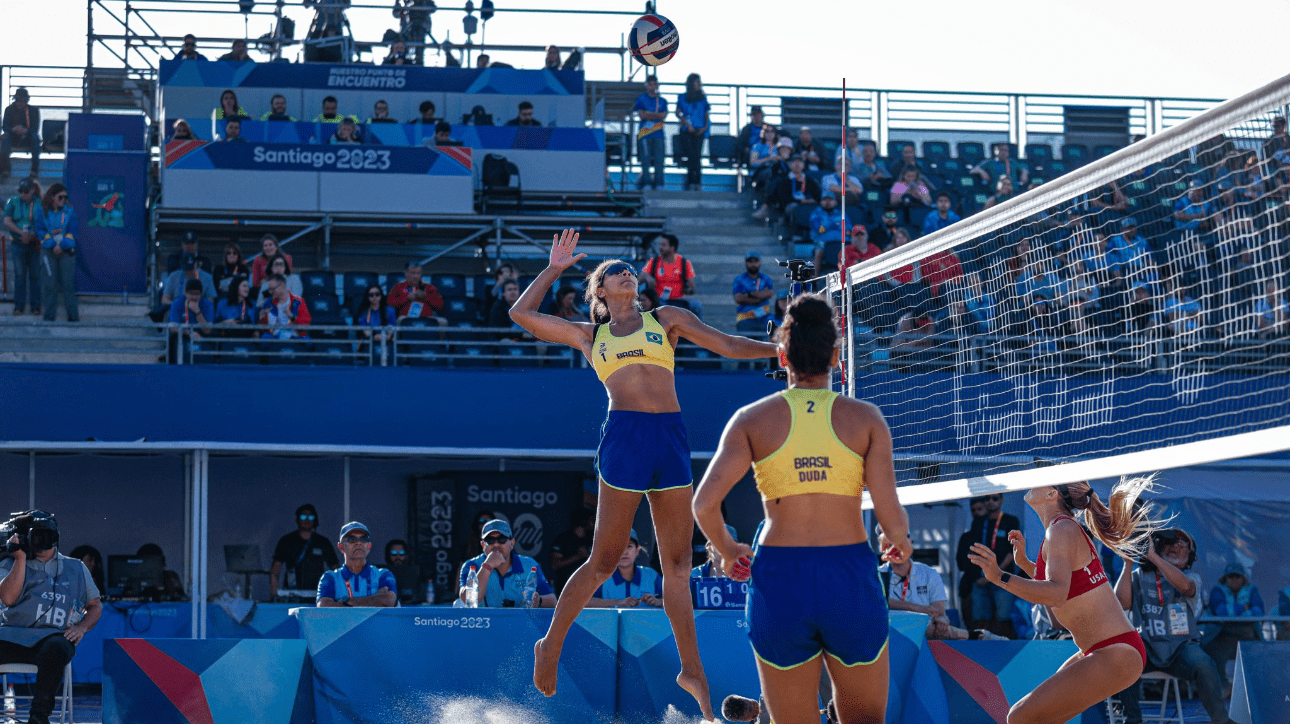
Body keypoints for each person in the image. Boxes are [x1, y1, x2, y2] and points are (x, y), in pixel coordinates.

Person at [513, 230, 779, 720]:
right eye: (615, 272)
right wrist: (553, 268)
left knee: (678, 564)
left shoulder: (667, 319)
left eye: (628, 270)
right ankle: (550, 644)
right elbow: (522, 316)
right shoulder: (590, 335)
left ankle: (691, 667)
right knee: (602, 560)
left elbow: (726, 344)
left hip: (670, 437)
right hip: (626, 436)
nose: (626, 273)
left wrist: (779, 351)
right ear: (600, 292)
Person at [693, 292, 913, 724]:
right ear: (836, 355)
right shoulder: (866, 419)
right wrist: (898, 542)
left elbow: (704, 504)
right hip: (847, 573)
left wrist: (727, 547)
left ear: (781, 355)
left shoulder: (752, 419)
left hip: (779, 576)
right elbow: (890, 513)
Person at [966, 479, 1159, 724]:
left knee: (1019, 717)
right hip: (1108, 649)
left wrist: (999, 576)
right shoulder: (1061, 529)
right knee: (1039, 719)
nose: (1031, 480)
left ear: (1051, 493)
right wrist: (1025, 564)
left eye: (1041, 478)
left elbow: (1055, 594)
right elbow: (1067, 590)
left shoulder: (1061, 529)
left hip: (1114, 651)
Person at [1113, 529, 1233, 724]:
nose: (1176, 546)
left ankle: (1221, 720)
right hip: (1147, 646)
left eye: (1182, 545)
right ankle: (1132, 720)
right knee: (1125, 656)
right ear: (1159, 548)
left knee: (1205, 665)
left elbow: (1186, 587)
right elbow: (1121, 604)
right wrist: (1128, 563)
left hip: (1181, 648)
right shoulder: (1138, 575)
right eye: (1171, 543)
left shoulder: (1193, 577)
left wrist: (1154, 557)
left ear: (1190, 557)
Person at [0, 511, 101, 724]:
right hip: (11, 636)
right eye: (35, 535)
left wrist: (82, 627)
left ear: (55, 537)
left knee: (60, 646)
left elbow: (95, 605)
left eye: (44, 535)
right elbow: (8, 598)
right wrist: (20, 558)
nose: (39, 541)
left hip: (50, 639)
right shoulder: (11, 562)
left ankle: (39, 717)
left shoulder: (76, 568)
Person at [877, 527, 969, 640]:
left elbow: (939, 612)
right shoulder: (876, 575)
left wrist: (942, 621)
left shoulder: (929, 573)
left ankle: (978, 635)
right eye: (890, 544)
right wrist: (922, 609)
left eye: (902, 543)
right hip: (891, 634)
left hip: (924, 632)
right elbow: (881, 602)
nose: (896, 548)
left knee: (935, 628)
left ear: (911, 544)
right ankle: (975, 635)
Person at [459, 520, 556, 608]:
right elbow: (469, 600)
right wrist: (487, 566)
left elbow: (553, 601)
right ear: (483, 545)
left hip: (519, 624)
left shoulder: (529, 565)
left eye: (502, 539)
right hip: (484, 624)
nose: (496, 544)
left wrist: (538, 601)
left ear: (512, 543)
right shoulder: (471, 566)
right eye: (490, 540)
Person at [1204, 562, 1265, 690]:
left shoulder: (1252, 589)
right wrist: (1245, 608)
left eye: (1237, 577)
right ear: (1225, 578)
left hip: (1248, 635)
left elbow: (1259, 611)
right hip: (1223, 634)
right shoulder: (1218, 590)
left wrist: (1234, 614)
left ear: (1243, 578)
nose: (1234, 580)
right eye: (1230, 577)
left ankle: (1254, 688)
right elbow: (1221, 612)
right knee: (1214, 653)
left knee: (1261, 656)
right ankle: (1223, 688)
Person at [970, 493, 1022, 637]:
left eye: (995, 498)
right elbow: (974, 549)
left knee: (1004, 619)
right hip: (981, 579)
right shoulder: (979, 522)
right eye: (987, 499)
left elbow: (1012, 553)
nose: (991, 502)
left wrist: (994, 573)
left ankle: (1006, 651)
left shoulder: (1010, 521)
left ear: (1001, 500)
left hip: (1003, 578)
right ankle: (984, 649)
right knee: (981, 620)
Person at [316, 522, 398, 608]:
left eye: (363, 539)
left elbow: (388, 601)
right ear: (341, 547)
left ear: (369, 545)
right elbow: (323, 606)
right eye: (352, 539)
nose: (358, 543)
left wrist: (346, 602)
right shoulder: (330, 577)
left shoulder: (383, 574)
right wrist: (376, 599)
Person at [270, 504, 339, 597]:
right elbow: (275, 571)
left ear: (315, 520)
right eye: (303, 516)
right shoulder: (286, 541)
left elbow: (336, 569)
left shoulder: (323, 542)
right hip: (291, 595)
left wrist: (337, 594)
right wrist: (273, 596)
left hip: (316, 595)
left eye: (310, 517)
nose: (307, 520)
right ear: (297, 519)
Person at [35, 183, 79, 322]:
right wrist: (52, 244)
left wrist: (63, 245)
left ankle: (73, 319)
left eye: (66, 197)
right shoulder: (41, 210)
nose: (63, 200)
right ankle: (48, 318)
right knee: (49, 285)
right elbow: (40, 231)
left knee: (68, 285)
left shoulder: (70, 211)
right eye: (61, 197)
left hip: (66, 252)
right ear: (53, 196)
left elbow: (73, 232)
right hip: (48, 252)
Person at [588, 530, 663, 608]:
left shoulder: (651, 575)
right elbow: (583, 602)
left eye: (629, 546)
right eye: (618, 547)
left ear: (637, 550)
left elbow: (675, 601)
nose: (624, 552)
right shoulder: (602, 576)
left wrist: (659, 602)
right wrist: (618, 602)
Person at [6, 177, 42, 315]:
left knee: (35, 275)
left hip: (34, 243)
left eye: (26, 191)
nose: (23, 194)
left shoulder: (38, 202)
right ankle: (18, 306)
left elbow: (42, 222)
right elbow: (7, 221)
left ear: (32, 190)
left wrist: (31, 235)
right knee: (19, 275)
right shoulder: (12, 201)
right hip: (18, 243)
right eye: (21, 191)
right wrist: (21, 233)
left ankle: (35, 305)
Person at [642, 233, 699, 313]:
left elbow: (693, 289)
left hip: (679, 299)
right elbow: (639, 278)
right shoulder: (653, 262)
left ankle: (697, 326)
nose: (660, 248)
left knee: (696, 306)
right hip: (659, 299)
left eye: (663, 245)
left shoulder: (684, 263)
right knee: (659, 306)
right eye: (660, 245)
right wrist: (646, 277)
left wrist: (689, 289)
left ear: (672, 248)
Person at [956, 497, 990, 626]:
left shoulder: (993, 534)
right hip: (969, 584)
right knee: (971, 623)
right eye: (973, 510)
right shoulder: (966, 537)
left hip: (992, 583)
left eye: (980, 509)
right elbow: (960, 563)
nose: (976, 513)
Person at [675, 73, 710, 191]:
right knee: (691, 156)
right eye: (697, 82)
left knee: (697, 156)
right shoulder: (682, 97)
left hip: (699, 130)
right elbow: (678, 113)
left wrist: (704, 128)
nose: (699, 84)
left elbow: (706, 114)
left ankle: (698, 182)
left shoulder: (703, 98)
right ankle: (690, 181)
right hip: (687, 130)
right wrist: (686, 123)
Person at [549, 508, 595, 595]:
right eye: (592, 521)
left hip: (589, 588)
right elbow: (554, 565)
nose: (594, 524)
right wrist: (578, 556)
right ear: (583, 521)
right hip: (566, 588)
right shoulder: (563, 539)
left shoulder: (593, 540)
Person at [633, 75, 668, 190]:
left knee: (659, 160)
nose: (652, 87)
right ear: (646, 86)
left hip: (658, 133)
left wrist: (649, 114)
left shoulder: (662, 101)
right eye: (650, 84)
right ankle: (646, 182)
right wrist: (655, 115)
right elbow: (641, 115)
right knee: (645, 159)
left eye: (654, 84)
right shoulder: (641, 99)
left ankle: (659, 183)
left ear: (657, 85)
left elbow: (663, 116)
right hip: (644, 134)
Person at [168, 279, 214, 361]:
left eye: (197, 294)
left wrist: (198, 312)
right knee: (173, 338)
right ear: (185, 293)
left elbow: (208, 330)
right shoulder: (177, 303)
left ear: (202, 294)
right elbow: (173, 327)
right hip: (184, 335)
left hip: (202, 336)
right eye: (191, 294)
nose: (194, 297)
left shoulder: (208, 304)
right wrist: (189, 333)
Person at [1, 88, 41, 178]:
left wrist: (26, 130)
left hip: (28, 138)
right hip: (13, 137)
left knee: (35, 137)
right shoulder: (9, 110)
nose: (19, 103)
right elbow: (5, 126)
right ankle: (5, 169)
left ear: (26, 101)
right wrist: (13, 129)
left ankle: (34, 169)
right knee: (5, 137)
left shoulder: (33, 111)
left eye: (22, 101)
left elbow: (35, 128)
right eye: (18, 101)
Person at [258, 273, 311, 339]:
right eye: (269, 289)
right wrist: (262, 319)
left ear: (282, 286)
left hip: (295, 337)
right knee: (265, 337)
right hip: (275, 338)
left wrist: (292, 317)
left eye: (273, 289)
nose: (270, 292)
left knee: (307, 340)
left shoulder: (298, 302)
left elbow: (306, 323)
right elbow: (263, 330)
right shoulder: (268, 303)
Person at [732, 250, 775, 331]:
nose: (753, 264)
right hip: (745, 319)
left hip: (764, 318)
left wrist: (748, 294)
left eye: (755, 261)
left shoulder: (766, 278)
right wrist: (760, 296)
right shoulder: (739, 279)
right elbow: (738, 298)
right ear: (746, 263)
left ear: (759, 262)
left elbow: (769, 294)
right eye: (750, 262)